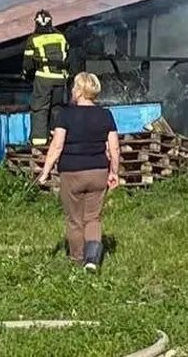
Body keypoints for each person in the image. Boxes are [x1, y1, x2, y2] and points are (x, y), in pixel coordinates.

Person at [38, 72, 121, 271]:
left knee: (74, 219)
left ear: (79, 90)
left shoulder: (65, 114)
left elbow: (57, 146)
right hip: (98, 171)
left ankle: (77, 259)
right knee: (93, 217)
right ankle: (92, 260)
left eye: (74, 87)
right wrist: (114, 172)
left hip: (72, 172)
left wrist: (45, 172)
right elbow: (114, 147)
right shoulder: (105, 114)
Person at [23, 9, 70, 148]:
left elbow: (28, 63)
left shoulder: (33, 39)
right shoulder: (61, 37)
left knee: (40, 108)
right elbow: (68, 55)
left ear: (36, 23)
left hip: (43, 79)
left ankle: (39, 143)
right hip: (60, 79)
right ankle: (56, 138)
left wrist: (27, 75)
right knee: (57, 108)